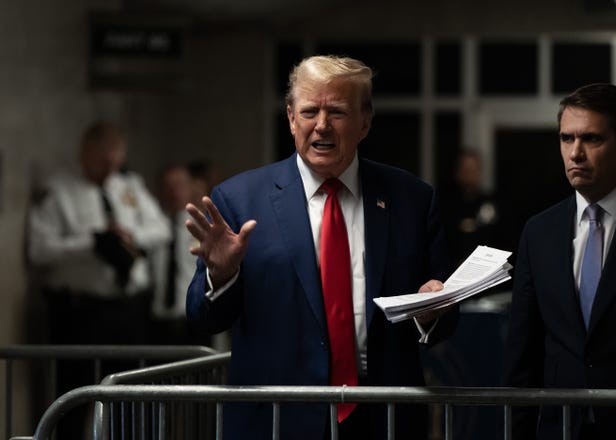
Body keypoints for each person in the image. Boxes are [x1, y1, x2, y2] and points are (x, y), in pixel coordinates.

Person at [185, 55, 458, 440]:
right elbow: (203, 318)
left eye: (338, 112)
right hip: (278, 419)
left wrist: (433, 311)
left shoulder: (411, 200)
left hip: (383, 418)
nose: (322, 125)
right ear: (292, 118)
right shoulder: (239, 200)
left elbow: (445, 319)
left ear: (365, 121)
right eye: (310, 110)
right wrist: (223, 275)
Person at [502, 83, 616, 440]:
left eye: (591, 139)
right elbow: (522, 354)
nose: (575, 153)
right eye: (566, 138)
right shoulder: (539, 232)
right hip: (560, 425)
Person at [27, 121, 171, 439]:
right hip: (80, 312)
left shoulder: (128, 186)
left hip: (128, 309)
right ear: (84, 152)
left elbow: (161, 228)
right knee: (73, 396)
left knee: (129, 395)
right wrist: (91, 243)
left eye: (115, 161)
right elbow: (39, 250)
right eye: (103, 160)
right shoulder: (59, 190)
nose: (110, 168)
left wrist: (129, 237)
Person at [150, 164, 210, 346]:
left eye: (179, 185)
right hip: (157, 321)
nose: (174, 192)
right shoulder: (151, 225)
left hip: (193, 319)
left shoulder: (203, 226)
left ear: (190, 187)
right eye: (168, 186)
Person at [442, 149, 500, 271]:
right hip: (452, 271)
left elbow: (496, 238)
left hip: (485, 271)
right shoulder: (445, 204)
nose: (469, 174)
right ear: (457, 172)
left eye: (473, 170)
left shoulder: (490, 203)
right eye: (465, 170)